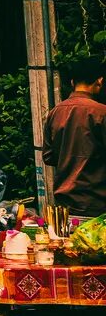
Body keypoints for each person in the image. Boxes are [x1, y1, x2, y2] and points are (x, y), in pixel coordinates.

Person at [48, 61, 106, 220]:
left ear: (72, 82)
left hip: (64, 205)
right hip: (96, 204)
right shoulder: (101, 112)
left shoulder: (55, 112)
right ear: (99, 81)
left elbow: (49, 156)